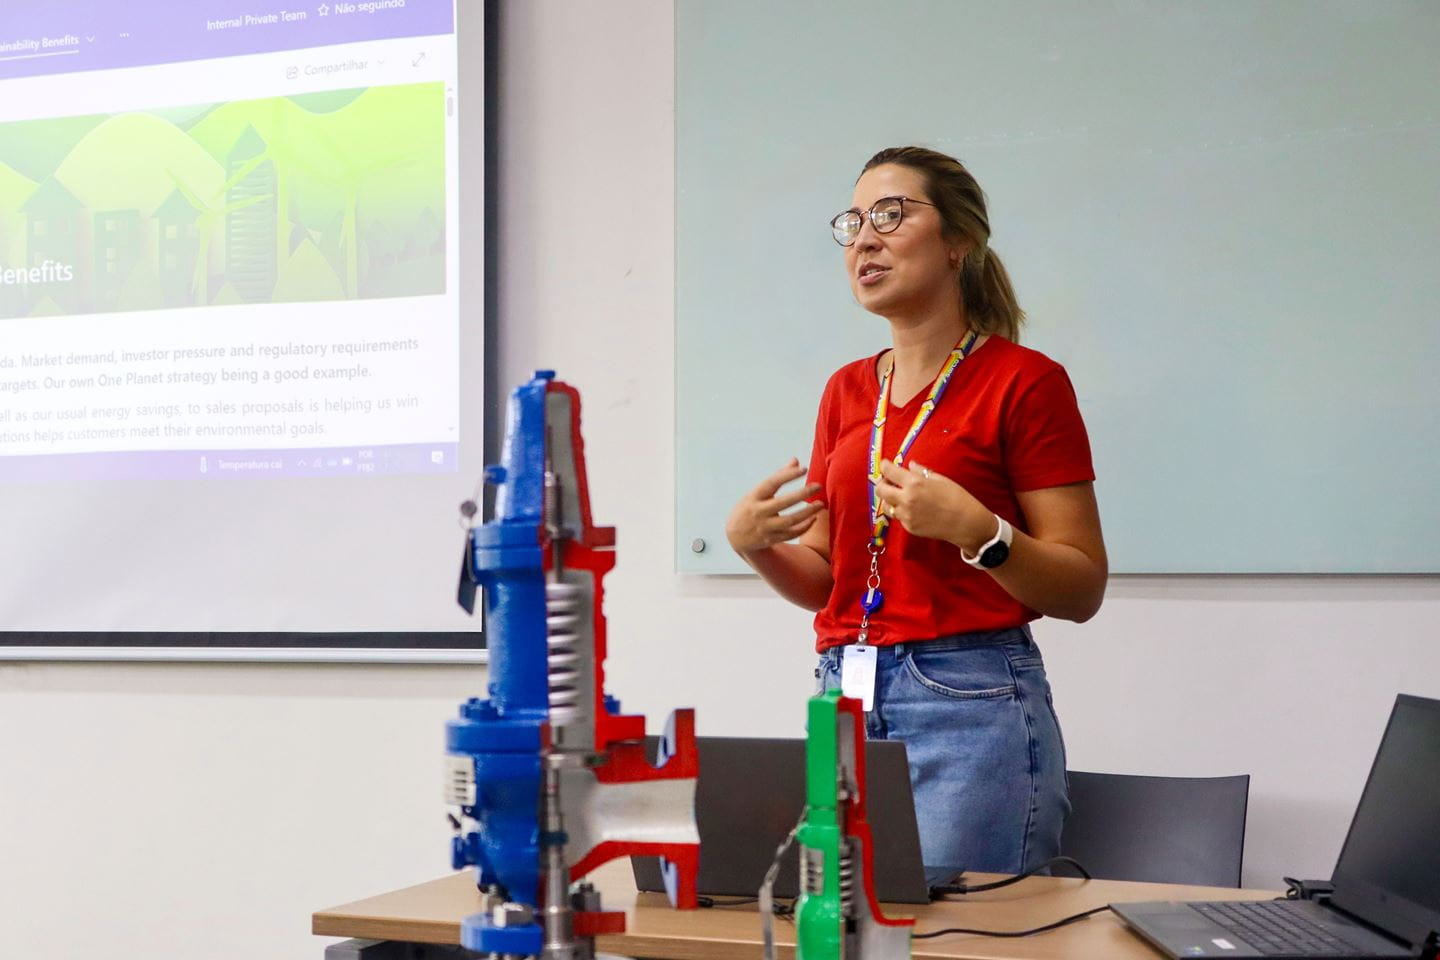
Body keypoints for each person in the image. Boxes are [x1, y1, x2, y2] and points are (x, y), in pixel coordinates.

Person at [724, 146, 1107, 874]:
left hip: (969, 702)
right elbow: (826, 579)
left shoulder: (1025, 383)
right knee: (840, 934)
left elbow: (1082, 586)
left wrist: (980, 533)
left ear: (958, 240)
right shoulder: (845, 390)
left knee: (953, 945)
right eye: (854, 222)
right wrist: (755, 547)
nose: (865, 239)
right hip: (843, 696)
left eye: (891, 214)